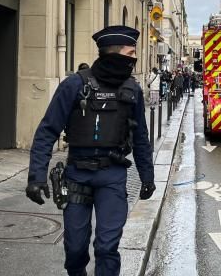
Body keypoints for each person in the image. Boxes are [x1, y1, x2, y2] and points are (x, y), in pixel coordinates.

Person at [25, 25, 156, 276]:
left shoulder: (132, 90)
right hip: (77, 175)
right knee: (75, 249)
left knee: (107, 247)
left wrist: (147, 176)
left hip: (112, 176)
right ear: (113, 54)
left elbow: (141, 137)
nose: (134, 59)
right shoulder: (74, 85)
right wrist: (36, 176)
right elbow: (47, 131)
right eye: (130, 54)